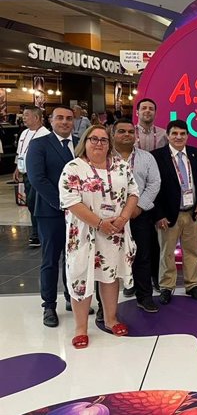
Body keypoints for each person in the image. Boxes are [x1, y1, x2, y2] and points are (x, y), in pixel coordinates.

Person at [59, 125, 139, 349]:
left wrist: (123, 218)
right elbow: (71, 201)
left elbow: (134, 192)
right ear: (85, 141)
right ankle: (81, 328)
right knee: (80, 275)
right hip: (84, 233)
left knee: (110, 275)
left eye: (103, 140)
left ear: (109, 144)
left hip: (114, 232)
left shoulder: (121, 166)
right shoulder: (73, 168)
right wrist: (100, 223)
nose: (98, 143)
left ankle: (111, 319)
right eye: (94, 139)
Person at [27, 105, 93, 328]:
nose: (65, 122)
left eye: (68, 118)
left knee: (74, 257)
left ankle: (70, 297)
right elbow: (37, 179)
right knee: (50, 259)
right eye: (60, 118)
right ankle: (48, 305)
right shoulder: (39, 144)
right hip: (51, 212)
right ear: (51, 120)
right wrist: (65, 204)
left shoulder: (81, 143)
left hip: (80, 214)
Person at [152, 120, 197, 304]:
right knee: (167, 253)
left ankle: (192, 285)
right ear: (167, 135)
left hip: (191, 212)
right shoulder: (157, 157)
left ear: (187, 135)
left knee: (192, 251)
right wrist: (158, 215)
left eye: (182, 134)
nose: (179, 137)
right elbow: (154, 188)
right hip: (168, 214)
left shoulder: (195, 153)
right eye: (174, 133)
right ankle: (167, 286)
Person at [112, 118, 162, 313]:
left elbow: (154, 183)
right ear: (113, 134)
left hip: (139, 216)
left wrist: (138, 207)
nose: (126, 135)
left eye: (130, 132)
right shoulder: (105, 158)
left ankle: (145, 296)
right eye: (121, 131)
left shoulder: (146, 158)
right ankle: (105, 305)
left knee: (142, 257)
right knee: (109, 259)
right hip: (111, 217)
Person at [14, 106, 50, 248]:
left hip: (37, 175)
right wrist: (17, 167)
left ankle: (38, 234)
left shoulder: (45, 134)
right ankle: (36, 233)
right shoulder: (24, 133)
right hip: (25, 173)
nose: (24, 117)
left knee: (35, 203)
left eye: (27, 115)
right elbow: (20, 152)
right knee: (30, 204)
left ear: (36, 117)